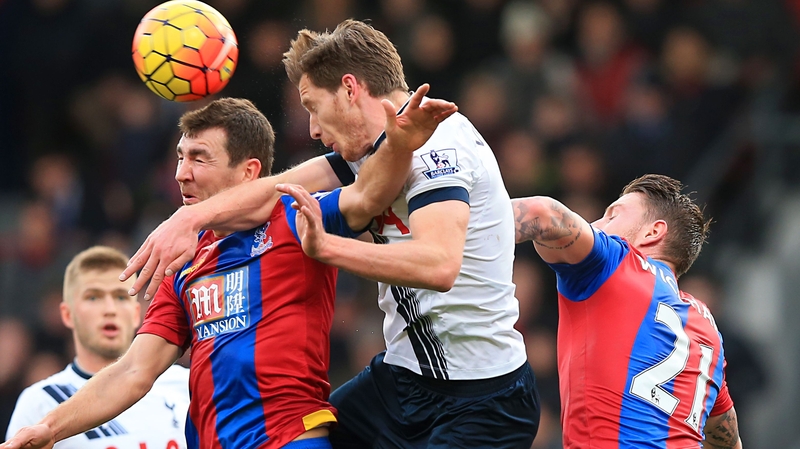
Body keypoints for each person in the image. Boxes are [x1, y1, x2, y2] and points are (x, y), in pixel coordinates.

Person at [120, 19, 540, 449]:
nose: (313, 130)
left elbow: (439, 265)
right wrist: (185, 221)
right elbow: (272, 191)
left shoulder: (437, 148)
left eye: (313, 107)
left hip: (481, 398)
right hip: (403, 380)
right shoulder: (371, 150)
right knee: (298, 438)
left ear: (350, 89)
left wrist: (327, 247)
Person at [1, 91, 456, 449]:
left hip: (289, 440)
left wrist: (399, 142)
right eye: (180, 157)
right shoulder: (183, 259)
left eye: (199, 157)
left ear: (248, 171)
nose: (181, 173)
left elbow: (370, 194)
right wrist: (52, 428)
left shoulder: (295, 215)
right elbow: (132, 371)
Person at [511, 174, 742, 449]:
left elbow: (543, 214)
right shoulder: (708, 329)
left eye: (611, 217)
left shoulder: (619, 263)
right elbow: (728, 437)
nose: (594, 225)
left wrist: (454, 228)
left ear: (653, 232)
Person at [5, 245, 190, 449]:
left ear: (137, 313)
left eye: (121, 297)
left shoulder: (183, 383)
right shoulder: (40, 402)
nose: (110, 309)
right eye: (93, 297)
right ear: (67, 314)